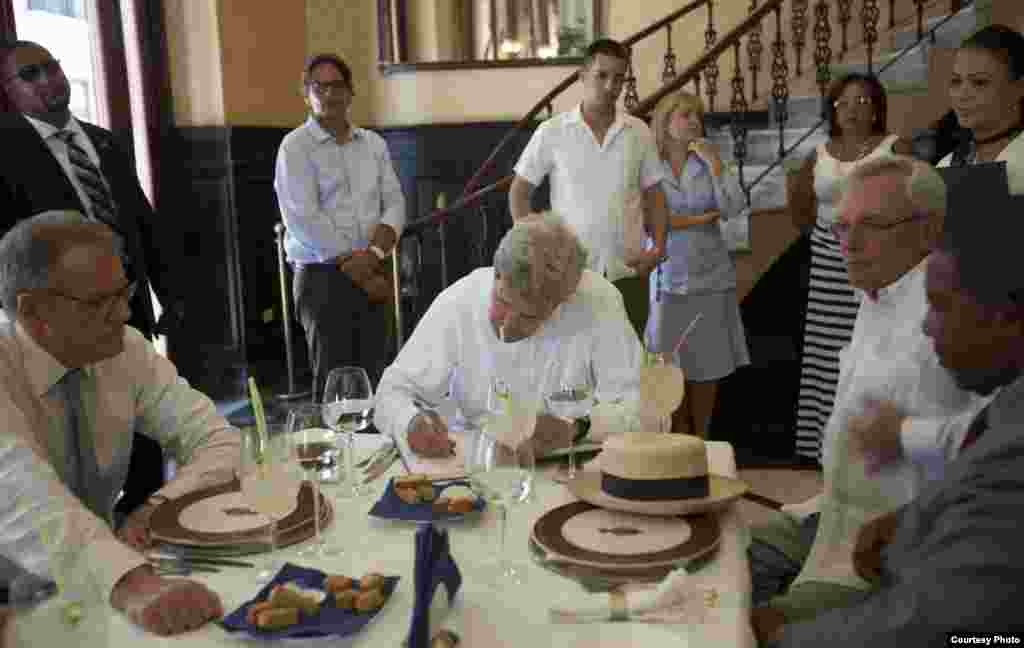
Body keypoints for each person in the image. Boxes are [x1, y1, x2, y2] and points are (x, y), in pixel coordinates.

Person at [754, 167, 1024, 647]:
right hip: (847, 517)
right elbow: (985, 428)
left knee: (745, 622)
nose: (849, 243)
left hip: (902, 545)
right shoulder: (877, 290)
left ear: (928, 230)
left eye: (871, 226)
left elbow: (943, 618)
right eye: (841, 226)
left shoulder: (957, 299)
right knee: (724, 566)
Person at [0, 211, 240, 636]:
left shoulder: (123, 348)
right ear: (32, 309)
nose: (124, 313)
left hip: (102, 588)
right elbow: (25, 499)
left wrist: (156, 508)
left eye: (123, 292)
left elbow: (217, 440)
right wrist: (130, 584)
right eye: (99, 302)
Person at [0, 39, 186, 514]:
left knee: (138, 414)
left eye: (52, 67)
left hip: (125, 304)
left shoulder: (102, 140)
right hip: (60, 322)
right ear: (9, 89)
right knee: (79, 431)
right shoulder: (6, 151)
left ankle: (146, 512)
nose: (47, 81)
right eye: (30, 75)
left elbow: (142, 221)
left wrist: (171, 296)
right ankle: (89, 527)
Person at [375, 212, 641, 459]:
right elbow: (392, 391)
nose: (508, 324)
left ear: (565, 300)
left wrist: (577, 428)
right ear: (496, 272)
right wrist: (410, 421)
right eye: (502, 300)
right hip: (476, 466)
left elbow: (641, 410)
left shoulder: (598, 302)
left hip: (570, 470)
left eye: (528, 317)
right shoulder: (460, 301)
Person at [787, 73, 913, 460]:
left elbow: (914, 204)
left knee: (867, 349)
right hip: (827, 259)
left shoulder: (894, 148)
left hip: (877, 260)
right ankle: (821, 445)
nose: (852, 110)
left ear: (877, 108)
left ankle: (863, 442)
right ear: (833, 110)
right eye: (843, 102)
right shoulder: (819, 153)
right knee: (825, 355)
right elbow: (802, 212)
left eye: (862, 102)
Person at [509, 38, 668, 338]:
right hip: (570, 277)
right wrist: (536, 249)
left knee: (626, 372)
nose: (611, 86)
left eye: (619, 78)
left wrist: (658, 248)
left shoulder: (639, 132)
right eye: (602, 75)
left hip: (629, 274)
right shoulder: (552, 132)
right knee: (572, 374)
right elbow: (519, 192)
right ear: (583, 76)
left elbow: (656, 197)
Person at [274, 52, 406, 397]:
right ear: (306, 93)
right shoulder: (295, 148)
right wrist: (362, 272)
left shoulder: (373, 144)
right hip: (323, 279)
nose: (329, 94)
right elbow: (304, 219)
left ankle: (377, 451)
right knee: (334, 386)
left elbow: (394, 203)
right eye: (320, 86)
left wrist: (374, 254)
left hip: (375, 268)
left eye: (337, 86)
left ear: (350, 92)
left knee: (378, 382)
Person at [644, 90, 751, 437]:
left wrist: (716, 163)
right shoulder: (648, 163)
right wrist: (699, 219)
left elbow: (734, 207)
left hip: (710, 277)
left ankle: (701, 439)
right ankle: (676, 437)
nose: (693, 122)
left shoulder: (707, 160)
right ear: (666, 122)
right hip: (666, 277)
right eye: (684, 115)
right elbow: (647, 219)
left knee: (708, 365)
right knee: (667, 366)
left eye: (697, 116)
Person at [939, 24, 1024, 193]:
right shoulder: (947, 165)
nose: (962, 95)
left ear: (1019, 88)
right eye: (956, 81)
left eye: (979, 82)